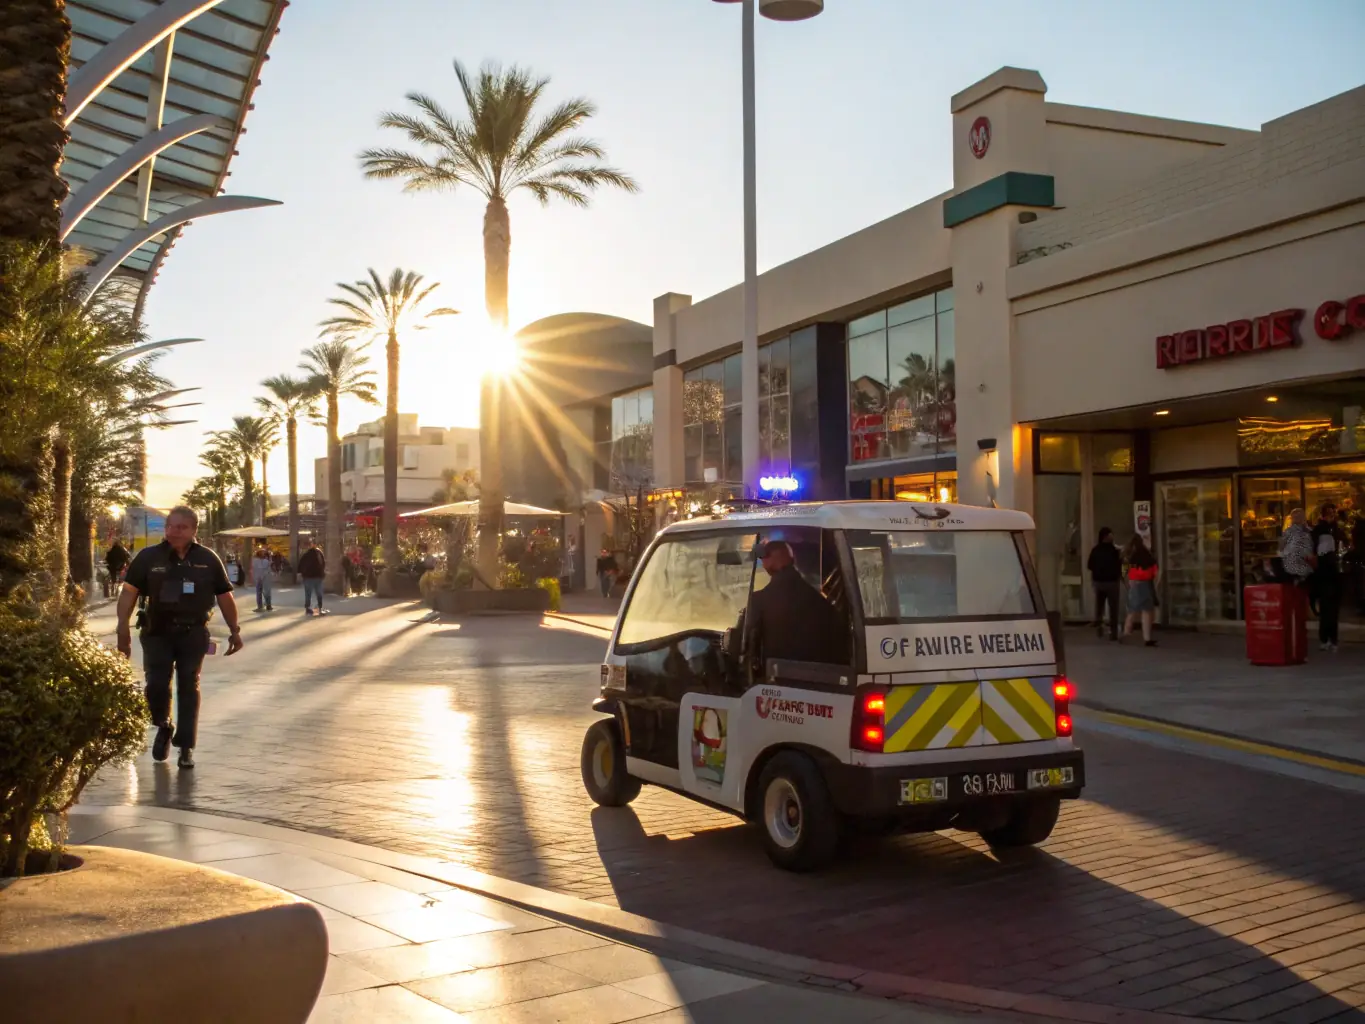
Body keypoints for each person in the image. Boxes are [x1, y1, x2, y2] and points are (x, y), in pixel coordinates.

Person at [116, 506, 242, 770]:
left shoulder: (208, 559)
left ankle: (186, 747)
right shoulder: (148, 557)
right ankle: (163, 723)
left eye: (181, 527)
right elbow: (128, 593)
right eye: (170, 526)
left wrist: (235, 630)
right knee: (157, 684)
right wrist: (122, 628)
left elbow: (224, 596)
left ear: (194, 530)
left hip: (193, 633)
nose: (174, 532)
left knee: (189, 685)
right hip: (156, 632)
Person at [744, 540, 846, 665]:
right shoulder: (817, 599)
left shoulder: (759, 600)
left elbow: (743, 642)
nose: (763, 563)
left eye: (764, 558)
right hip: (820, 676)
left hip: (774, 678)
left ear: (775, 559)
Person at [1310, 503, 1346, 652]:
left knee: (1330, 609)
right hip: (1326, 574)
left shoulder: (1336, 530)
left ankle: (1330, 639)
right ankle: (1327, 639)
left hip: (1332, 574)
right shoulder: (1321, 530)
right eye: (1329, 513)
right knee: (1327, 608)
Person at [1121, 535, 1159, 647]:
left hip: (1134, 584)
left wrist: (1127, 581)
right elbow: (1156, 571)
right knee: (1147, 611)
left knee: (1132, 611)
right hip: (1145, 584)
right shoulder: (1146, 554)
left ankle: (1126, 632)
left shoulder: (1128, 556)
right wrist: (1156, 584)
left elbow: (1124, 572)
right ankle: (1147, 638)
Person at [1087, 527, 1122, 641]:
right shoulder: (1114, 551)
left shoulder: (1095, 550)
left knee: (1099, 606)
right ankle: (1113, 633)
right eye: (1110, 535)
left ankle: (1100, 627)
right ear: (1106, 537)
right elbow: (1119, 565)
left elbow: (1090, 565)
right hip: (1112, 582)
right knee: (1113, 608)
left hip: (1099, 582)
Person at [1278, 508, 1316, 587]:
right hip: (1298, 567)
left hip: (1296, 566)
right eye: (1295, 517)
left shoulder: (1307, 531)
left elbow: (1281, 548)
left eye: (1298, 517)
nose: (1296, 519)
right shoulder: (1290, 532)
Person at [298, 538, 327, 617]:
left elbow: (323, 564)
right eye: (312, 543)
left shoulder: (317, 553)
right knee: (310, 594)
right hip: (310, 577)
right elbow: (301, 565)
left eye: (314, 543)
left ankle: (318, 608)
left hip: (315, 577)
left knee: (317, 593)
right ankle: (309, 609)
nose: (313, 545)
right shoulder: (308, 554)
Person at [251, 545, 274, 612]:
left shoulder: (260, 561)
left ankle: (264, 606)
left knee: (264, 592)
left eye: (263, 553)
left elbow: (263, 569)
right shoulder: (261, 561)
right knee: (263, 592)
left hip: (262, 578)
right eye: (261, 553)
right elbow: (262, 569)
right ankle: (265, 606)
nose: (263, 554)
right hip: (261, 578)